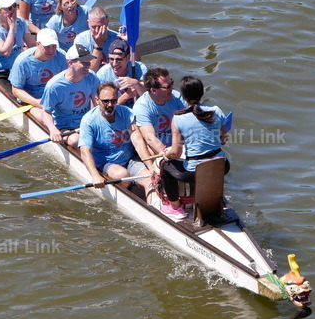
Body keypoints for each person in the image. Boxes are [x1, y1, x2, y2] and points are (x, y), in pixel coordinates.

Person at [161, 76, 229, 218]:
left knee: (165, 167)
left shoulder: (178, 118)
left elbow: (176, 152)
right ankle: (216, 199)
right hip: (222, 165)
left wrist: (166, 153)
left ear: (183, 96)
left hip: (195, 170)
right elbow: (223, 140)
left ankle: (174, 207)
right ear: (201, 93)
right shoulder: (216, 110)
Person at [78, 82, 150, 195]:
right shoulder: (88, 121)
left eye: (113, 100)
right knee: (122, 174)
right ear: (97, 100)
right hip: (105, 163)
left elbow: (137, 140)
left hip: (128, 160)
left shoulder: (126, 112)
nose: (110, 105)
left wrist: (150, 166)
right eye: (105, 101)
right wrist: (95, 176)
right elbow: (85, 151)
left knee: (149, 177)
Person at [133, 67, 187, 218]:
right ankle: (167, 201)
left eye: (172, 83)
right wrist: (167, 153)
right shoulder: (142, 106)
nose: (172, 88)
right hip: (154, 150)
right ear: (154, 90)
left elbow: (189, 122)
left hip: (176, 146)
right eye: (167, 86)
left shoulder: (176, 98)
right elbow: (150, 138)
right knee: (166, 165)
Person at [38, 43, 99, 149]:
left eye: (88, 61)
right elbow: (46, 111)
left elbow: (97, 103)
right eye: (83, 62)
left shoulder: (92, 77)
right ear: (70, 63)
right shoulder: (55, 86)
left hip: (85, 123)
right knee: (75, 141)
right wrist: (52, 130)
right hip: (65, 127)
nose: (88, 65)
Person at [8, 28, 67, 111]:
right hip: (31, 101)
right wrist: (36, 102)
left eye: (54, 46)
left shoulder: (62, 56)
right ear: (37, 44)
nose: (51, 50)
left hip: (53, 98)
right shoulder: (22, 61)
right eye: (47, 47)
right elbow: (16, 90)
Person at [0, 0, 35, 74]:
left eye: (14, 6)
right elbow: (6, 52)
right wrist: (12, 28)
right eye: (9, 8)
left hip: (18, 68)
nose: (13, 10)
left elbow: (32, 45)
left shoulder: (21, 22)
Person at [96, 38, 147, 105]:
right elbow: (103, 107)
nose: (114, 64)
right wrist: (126, 96)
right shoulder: (102, 75)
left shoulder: (139, 68)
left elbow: (148, 97)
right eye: (111, 59)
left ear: (128, 58)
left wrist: (137, 84)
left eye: (119, 59)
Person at [75, 6, 120, 72]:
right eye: (93, 27)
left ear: (107, 23)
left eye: (100, 27)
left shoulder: (117, 39)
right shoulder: (80, 40)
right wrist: (98, 45)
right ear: (88, 23)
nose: (97, 30)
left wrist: (132, 44)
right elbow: (89, 71)